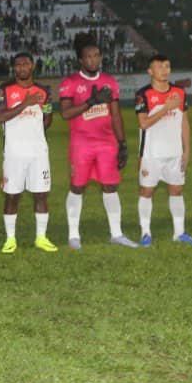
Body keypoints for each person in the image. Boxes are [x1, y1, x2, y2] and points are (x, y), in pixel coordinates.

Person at [58, 34, 134, 249]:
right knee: (77, 187)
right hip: (81, 143)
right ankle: (74, 236)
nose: (93, 60)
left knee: (110, 186)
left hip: (107, 143)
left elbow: (116, 115)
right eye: (88, 57)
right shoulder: (70, 83)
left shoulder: (109, 81)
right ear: (80, 60)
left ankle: (116, 234)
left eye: (96, 55)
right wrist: (91, 101)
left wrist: (122, 143)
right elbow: (65, 113)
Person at [0, 53, 57, 253]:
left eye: (26, 64)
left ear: (32, 66)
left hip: (38, 152)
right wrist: (25, 104)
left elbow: (47, 119)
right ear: (14, 68)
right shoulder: (4, 89)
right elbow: (0, 117)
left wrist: (35, 128)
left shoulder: (43, 91)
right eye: (18, 64)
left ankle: (41, 238)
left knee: (41, 194)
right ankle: (10, 239)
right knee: (12, 195)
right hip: (14, 152)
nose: (22, 67)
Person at [134, 55, 192, 246]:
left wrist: (186, 150)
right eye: (159, 67)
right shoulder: (143, 94)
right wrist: (166, 108)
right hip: (151, 154)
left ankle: (179, 233)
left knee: (176, 190)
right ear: (150, 71)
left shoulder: (179, 92)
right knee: (147, 191)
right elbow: (143, 123)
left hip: (174, 153)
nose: (164, 70)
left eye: (167, 66)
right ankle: (145, 233)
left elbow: (184, 122)